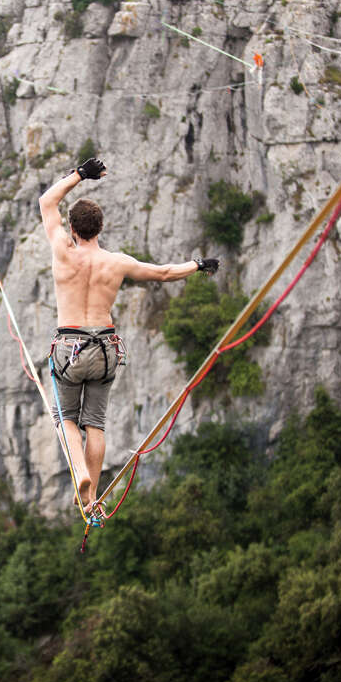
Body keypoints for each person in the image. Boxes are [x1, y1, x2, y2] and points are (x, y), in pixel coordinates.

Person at [39, 157, 220, 515]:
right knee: (95, 424)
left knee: (67, 420)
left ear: (72, 228)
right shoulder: (117, 262)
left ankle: (80, 476)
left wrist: (80, 174)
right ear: (100, 228)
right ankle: (91, 496)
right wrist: (198, 265)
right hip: (105, 349)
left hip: (70, 347)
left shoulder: (62, 250)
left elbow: (47, 201)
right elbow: (164, 273)